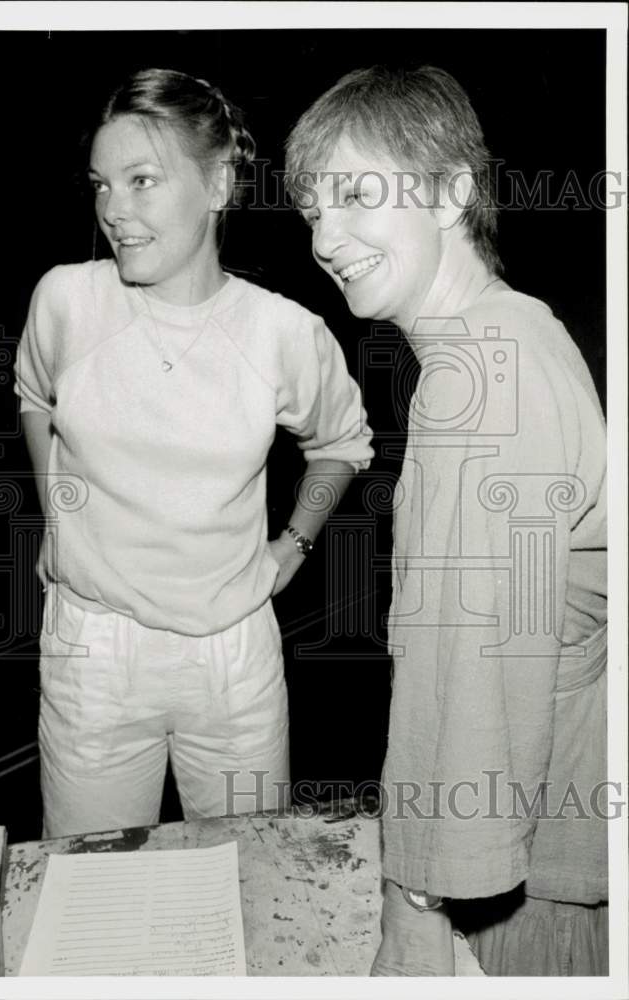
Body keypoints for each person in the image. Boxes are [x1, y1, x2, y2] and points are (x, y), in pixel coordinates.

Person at [285, 65, 607, 976]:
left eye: (354, 195)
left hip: (536, 877)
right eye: (312, 209)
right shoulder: (508, 334)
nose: (326, 237)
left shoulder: (481, 377)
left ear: (452, 192)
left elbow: (475, 671)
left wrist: (419, 901)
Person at [15, 68, 373, 839]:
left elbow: (342, 444)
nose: (114, 209)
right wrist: (60, 514)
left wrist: (294, 546)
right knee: (94, 888)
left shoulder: (283, 332)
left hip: (233, 658)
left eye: (142, 180)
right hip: (94, 649)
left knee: (249, 880)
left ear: (217, 184)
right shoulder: (66, 301)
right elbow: (35, 401)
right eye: (102, 184)